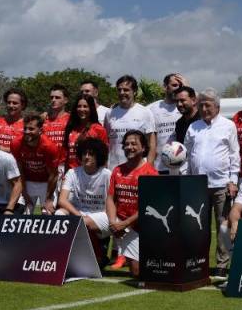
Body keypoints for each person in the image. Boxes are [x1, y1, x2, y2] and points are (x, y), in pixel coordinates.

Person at [185, 88, 240, 278]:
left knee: (222, 226)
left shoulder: (228, 125)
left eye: (207, 104)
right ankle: (199, 262)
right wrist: (187, 180)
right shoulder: (193, 127)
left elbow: (234, 155)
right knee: (199, 227)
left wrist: (233, 180)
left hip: (221, 184)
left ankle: (222, 265)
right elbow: (186, 155)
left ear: (217, 106)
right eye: (201, 105)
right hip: (197, 185)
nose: (203, 108)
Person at [105, 130, 158, 275]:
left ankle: (131, 255)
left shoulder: (151, 173)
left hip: (137, 225)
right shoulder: (117, 170)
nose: (129, 147)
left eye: (134, 144)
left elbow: (149, 207)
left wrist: (124, 224)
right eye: (126, 144)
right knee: (85, 223)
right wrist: (112, 223)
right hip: (117, 221)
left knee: (137, 272)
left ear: (144, 148)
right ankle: (98, 258)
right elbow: (110, 198)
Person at [57, 137, 112, 267]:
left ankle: (98, 255)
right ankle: (64, 256)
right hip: (80, 213)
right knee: (59, 215)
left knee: (83, 223)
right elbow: (62, 201)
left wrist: (82, 218)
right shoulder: (72, 172)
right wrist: (78, 215)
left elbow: (112, 203)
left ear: (98, 156)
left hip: (102, 214)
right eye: (84, 153)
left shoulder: (107, 175)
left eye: (91, 154)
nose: (86, 157)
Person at [11, 113, 61, 215]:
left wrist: (48, 198)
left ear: (40, 130)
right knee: (23, 213)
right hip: (28, 181)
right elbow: (20, 171)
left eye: (31, 129)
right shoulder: (16, 143)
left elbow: (54, 175)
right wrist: (24, 192)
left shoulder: (49, 147)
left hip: (46, 183)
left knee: (46, 213)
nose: (26, 132)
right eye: (25, 128)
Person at [105, 75, 157, 169]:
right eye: (119, 90)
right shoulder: (109, 113)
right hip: (114, 169)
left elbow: (152, 144)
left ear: (135, 92)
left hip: (138, 169)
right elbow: (105, 143)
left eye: (126, 90)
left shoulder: (145, 112)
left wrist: (148, 167)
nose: (122, 93)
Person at [148, 73, 189, 173]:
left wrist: (187, 88)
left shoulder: (186, 108)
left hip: (183, 168)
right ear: (165, 87)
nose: (178, 88)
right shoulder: (151, 109)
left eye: (181, 86)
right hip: (160, 168)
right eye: (175, 85)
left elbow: (200, 103)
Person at [63, 94, 109, 170]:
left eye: (85, 106)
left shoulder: (99, 129)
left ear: (91, 108)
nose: (81, 109)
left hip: (92, 174)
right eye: (79, 106)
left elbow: (104, 156)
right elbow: (67, 156)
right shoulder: (71, 128)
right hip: (72, 174)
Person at [0, 87, 27, 152]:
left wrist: (3, 149)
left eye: (15, 103)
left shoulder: (27, 125)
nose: (11, 106)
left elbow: (27, 149)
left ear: (22, 105)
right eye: (9, 102)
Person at [42, 84, 70, 154]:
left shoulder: (71, 119)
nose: (53, 100)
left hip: (65, 162)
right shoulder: (43, 119)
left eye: (57, 97)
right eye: (51, 97)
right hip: (47, 161)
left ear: (66, 100)